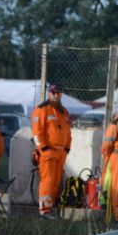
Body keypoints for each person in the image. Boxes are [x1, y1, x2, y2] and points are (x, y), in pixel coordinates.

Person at [31, 82, 72, 218]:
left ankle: (50, 208)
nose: (56, 95)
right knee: (47, 181)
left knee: (55, 182)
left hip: (61, 152)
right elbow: (37, 132)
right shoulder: (41, 110)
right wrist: (44, 149)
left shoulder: (64, 111)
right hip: (48, 151)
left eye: (58, 93)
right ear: (49, 93)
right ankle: (44, 211)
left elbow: (68, 132)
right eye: (53, 92)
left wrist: (67, 148)